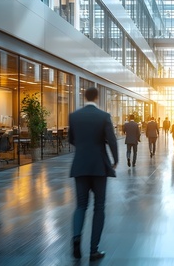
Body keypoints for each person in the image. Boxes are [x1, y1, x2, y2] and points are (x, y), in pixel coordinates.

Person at [69, 87, 118, 261]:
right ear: (97, 97)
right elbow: (111, 140)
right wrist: (115, 159)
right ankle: (93, 250)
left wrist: (84, 149)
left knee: (81, 205)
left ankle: (76, 238)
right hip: (99, 167)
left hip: (80, 166)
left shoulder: (74, 116)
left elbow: (71, 139)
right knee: (99, 207)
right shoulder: (104, 116)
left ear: (84, 96)